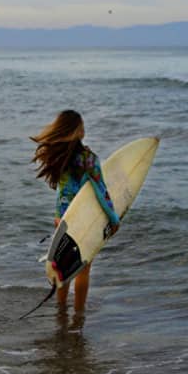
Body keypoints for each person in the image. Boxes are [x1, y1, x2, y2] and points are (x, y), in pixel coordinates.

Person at [31, 109, 120, 312]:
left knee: (64, 267)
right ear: (77, 131)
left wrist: (57, 217)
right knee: (83, 268)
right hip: (82, 217)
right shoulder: (87, 158)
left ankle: (61, 310)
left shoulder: (60, 157)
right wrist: (113, 219)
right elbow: (101, 191)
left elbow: (61, 192)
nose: (84, 129)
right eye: (82, 126)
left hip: (62, 218)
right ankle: (79, 314)